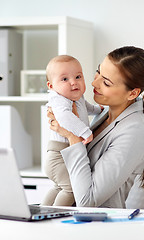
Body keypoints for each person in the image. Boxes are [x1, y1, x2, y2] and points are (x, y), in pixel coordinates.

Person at [47, 46, 144, 208]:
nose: (94, 82)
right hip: (68, 216)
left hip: (95, 225)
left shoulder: (134, 131)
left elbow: (87, 201)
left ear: (132, 93)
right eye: (98, 72)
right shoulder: (105, 113)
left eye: (106, 82)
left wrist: (72, 137)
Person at [42, 55, 103, 206]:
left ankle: (44, 210)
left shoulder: (77, 97)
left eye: (78, 76)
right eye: (64, 79)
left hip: (65, 154)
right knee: (71, 188)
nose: (73, 82)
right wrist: (84, 131)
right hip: (58, 156)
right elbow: (64, 118)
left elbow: (87, 107)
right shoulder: (59, 100)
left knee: (59, 187)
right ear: (51, 86)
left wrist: (98, 110)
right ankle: (56, 215)